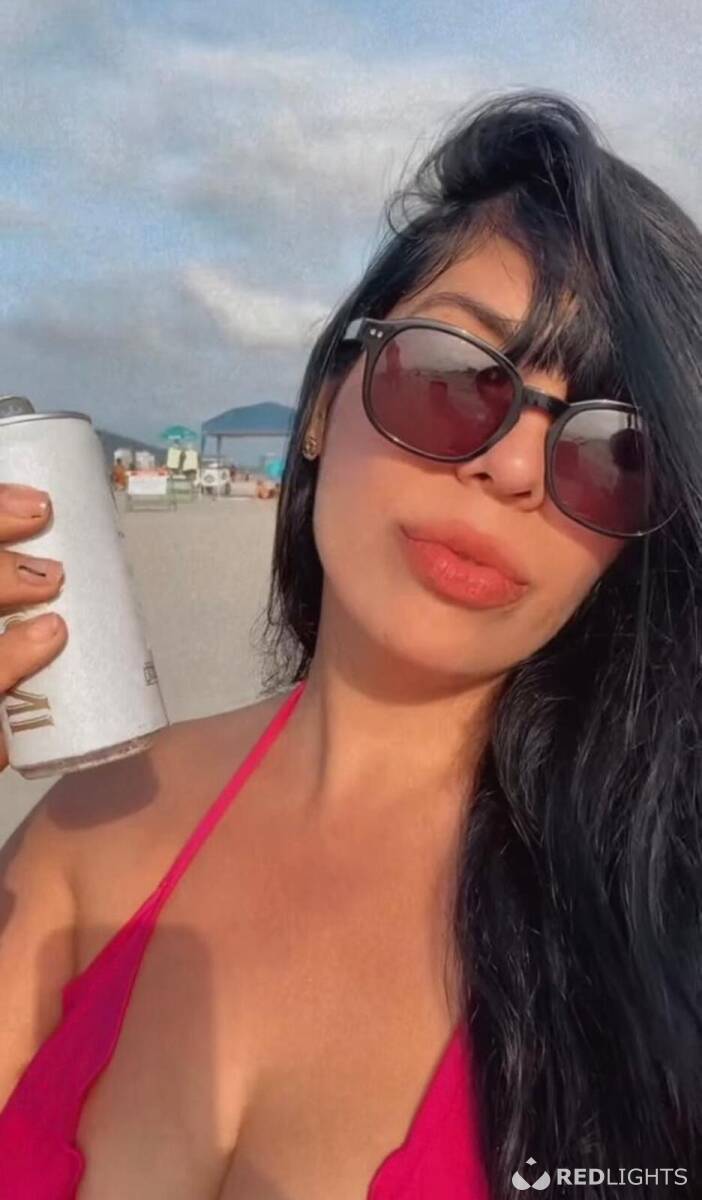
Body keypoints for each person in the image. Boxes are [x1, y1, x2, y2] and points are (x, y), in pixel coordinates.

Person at [0, 90, 701, 1199]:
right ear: (326, 405)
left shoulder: (661, 937)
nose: (514, 469)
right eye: (452, 376)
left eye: (613, 449)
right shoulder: (89, 825)